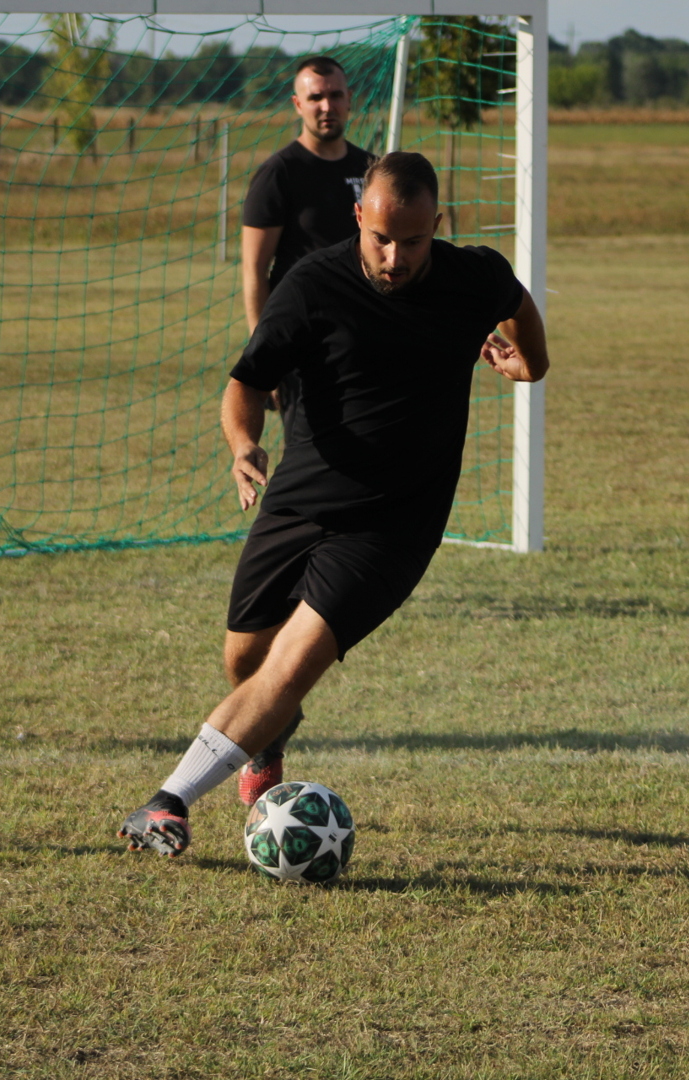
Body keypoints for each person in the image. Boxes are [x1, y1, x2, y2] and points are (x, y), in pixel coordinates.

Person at [119, 151, 548, 858]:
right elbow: (246, 381)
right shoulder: (312, 285)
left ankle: (168, 802)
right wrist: (243, 444)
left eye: (413, 241)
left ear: (437, 225)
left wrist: (533, 362)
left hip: (394, 523)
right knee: (245, 657)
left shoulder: (474, 275)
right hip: (299, 498)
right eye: (381, 238)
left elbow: (519, 304)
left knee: (291, 666)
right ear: (357, 217)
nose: (395, 256)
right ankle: (265, 741)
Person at [233, 53, 374, 803]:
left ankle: (341, 570)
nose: (327, 106)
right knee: (307, 476)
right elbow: (255, 274)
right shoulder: (278, 176)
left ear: (350, 99)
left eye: (336, 95)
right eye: (315, 97)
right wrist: (270, 356)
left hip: (367, 359)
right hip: (302, 357)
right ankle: (295, 584)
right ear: (296, 103)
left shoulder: (371, 171)